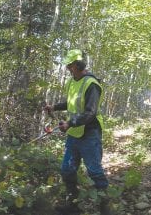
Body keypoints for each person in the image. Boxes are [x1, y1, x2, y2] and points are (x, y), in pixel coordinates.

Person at [44, 49, 111, 215]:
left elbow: (90, 112)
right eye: (67, 65)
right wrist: (54, 107)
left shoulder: (92, 84)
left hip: (90, 132)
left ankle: (106, 208)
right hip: (74, 133)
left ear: (79, 64)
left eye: (70, 65)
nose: (68, 68)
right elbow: (71, 102)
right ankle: (72, 205)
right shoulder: (72, 81)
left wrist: (70, 123)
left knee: (94, 170)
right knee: (67, 169)